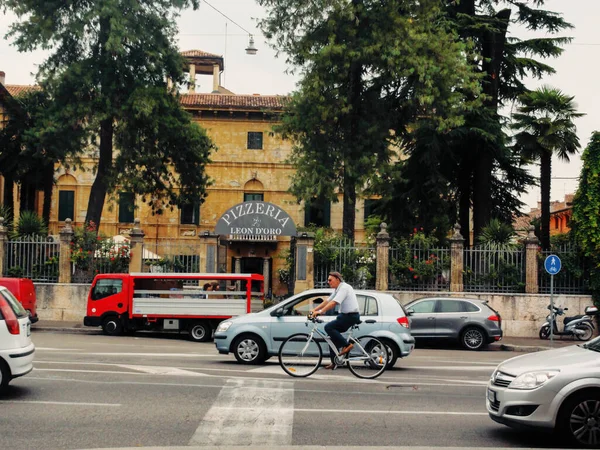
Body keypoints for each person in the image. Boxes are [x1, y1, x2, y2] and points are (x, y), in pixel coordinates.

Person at [309, 271, 361, 370]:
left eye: (330, 280)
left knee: (328, 327)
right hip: (344, 316)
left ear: (337, 279)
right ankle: (334, 362)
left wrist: (321, 312)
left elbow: (334, 303)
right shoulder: (338, 289)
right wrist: (315, 310)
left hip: (351, 316)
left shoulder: (344, 288)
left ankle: (347, 345)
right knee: (331, 337)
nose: (328, 282)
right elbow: (327, 301)